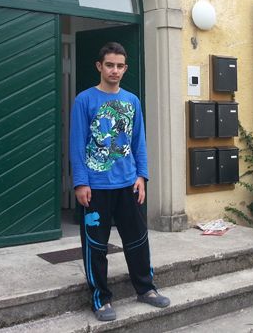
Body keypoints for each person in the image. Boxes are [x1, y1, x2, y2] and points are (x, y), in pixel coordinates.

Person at [69, 42, 170, 321]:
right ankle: (101, 299)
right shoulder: (84, 100)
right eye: (109, 65)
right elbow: (77, 143)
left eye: (120, 66)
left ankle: (145, 289)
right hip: (96, 188)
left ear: (125, 68)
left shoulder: (132, 101)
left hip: (128, 184)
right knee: (96, 245)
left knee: (138, 240)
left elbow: (139, 142)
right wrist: (80, 182)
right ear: (100, 67)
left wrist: (142, 176)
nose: (114, 70)